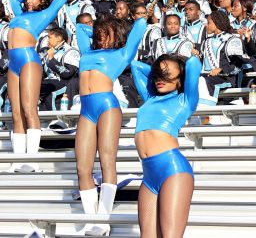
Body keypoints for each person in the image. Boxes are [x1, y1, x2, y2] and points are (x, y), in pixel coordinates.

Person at [75, 16, 147, 235]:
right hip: (86, 110)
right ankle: (91, 218)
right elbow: (79, 27)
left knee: (107, 161)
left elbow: (141, 24)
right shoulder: (86, 52)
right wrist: (99, 29)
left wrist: (116, 32)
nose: (101, 36)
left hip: (107, 106)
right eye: (99, 33)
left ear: (116, 34)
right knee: (82, 168)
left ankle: (104, 218)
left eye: (106, 33)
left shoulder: (122, 53)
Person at [131, 53, 201, 237]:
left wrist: (178, 67)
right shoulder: (150, 97)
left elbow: (193, 64)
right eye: (158, 74)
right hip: (148, 175)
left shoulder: (186, 100)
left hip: (173, 171)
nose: (160, 79)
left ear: (181, 78)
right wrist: (160, 71)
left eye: (167, 74)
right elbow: (135, 66)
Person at [7, 0, 70, 172]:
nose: (27, 1)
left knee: (28, 108)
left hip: (28, 60)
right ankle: (18, 161)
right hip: (13, 63)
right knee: (16, 114)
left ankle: (32, 160)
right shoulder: (21, 14)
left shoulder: (45, 13)